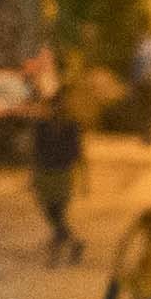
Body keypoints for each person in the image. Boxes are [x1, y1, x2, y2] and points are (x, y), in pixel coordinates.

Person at [25, 103, 87, 267]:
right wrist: (32, 176)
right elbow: (35, 152)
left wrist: (84, 179)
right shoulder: (41, 127)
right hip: (46, 174)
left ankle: (59, 249)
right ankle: (72, 243)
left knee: (57, 213)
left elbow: (77, 151)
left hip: (61, 174)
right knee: (51, 213)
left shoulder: (70, 127)